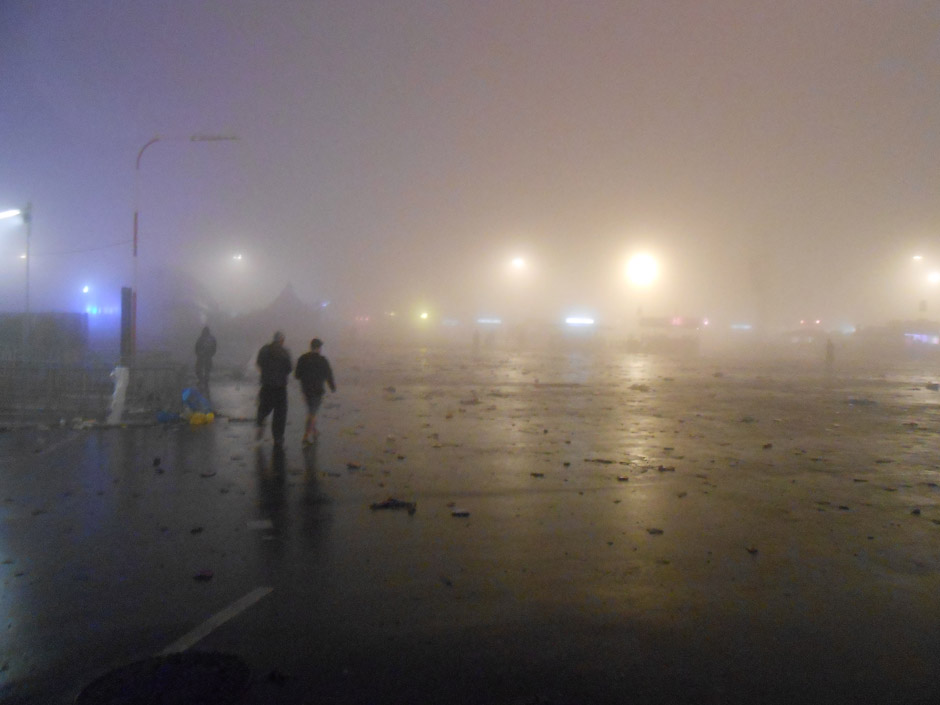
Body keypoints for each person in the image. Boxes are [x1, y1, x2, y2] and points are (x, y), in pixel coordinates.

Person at [294, 337, 336, 445]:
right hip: (317, 391)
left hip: (306, 390)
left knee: (311, 411)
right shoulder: (322, 360)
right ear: (319, 348)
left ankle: (314, 430)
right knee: (312, 413)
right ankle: (306, 436)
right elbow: (328, 375)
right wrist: (332, 387)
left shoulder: (303, 358)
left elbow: (297, 375)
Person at [255, 331, 293, 446]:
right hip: (280, 388)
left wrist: (266, 373)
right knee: (280, 414)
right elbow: (289, 368)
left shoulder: (264, 349)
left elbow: (258, 363)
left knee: (263, 408)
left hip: (266, 386)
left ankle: (260, 424)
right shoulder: (285, 352)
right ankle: (278, 438)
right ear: (282, 340)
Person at [194, 326, 217, 393]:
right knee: (207, 370)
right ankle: (205, 382)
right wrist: (211, 354)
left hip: (202, 356)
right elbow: (214, 348)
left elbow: (196, 347)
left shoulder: (201, 338)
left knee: (199, 369)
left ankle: (202, 381)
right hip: (208, 356)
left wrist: (198, 354)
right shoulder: (212, 339)